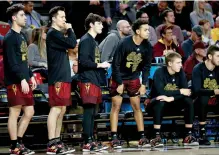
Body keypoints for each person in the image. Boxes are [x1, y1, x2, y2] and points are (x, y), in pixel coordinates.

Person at [110, 19, 152, 148]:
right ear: (138, 31)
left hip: (134, 77)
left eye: (148, 30)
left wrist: (144, 83)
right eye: (145, 30)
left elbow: (146, 67)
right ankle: (114, 138)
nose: (148, 32)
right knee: (116, 106)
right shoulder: (124, 43)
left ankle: (142, 136)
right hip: (119, 77)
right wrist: (119, 82)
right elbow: (115, 64)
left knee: (137, 107)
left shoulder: (147, 46)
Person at [3, 4, 37, 155]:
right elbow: (11, 62)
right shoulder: (9, 37)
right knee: (14, 112)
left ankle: (19, 142)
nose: (25, 17)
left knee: (29, 112)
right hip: (15, 81)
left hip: (24, 79)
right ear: (14, 18)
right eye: (22, 15)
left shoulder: (22, 35)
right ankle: (14, 146)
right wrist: (22, 79)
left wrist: (30, 76)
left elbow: (24, 60)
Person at [149, 52, 198, 147]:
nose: (181, 65)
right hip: (155, 104)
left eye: (181, 62)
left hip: (173, 103)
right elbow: (160, 92)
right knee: (161, 101)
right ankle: (156, 136)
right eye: (178, 62)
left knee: (188, 101)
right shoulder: (159, 72)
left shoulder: (181, 73)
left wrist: (172, 98)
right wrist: (179, 92)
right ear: (170, 63)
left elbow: (186, 92)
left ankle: (188, 135)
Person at [46, 6, 77, 154]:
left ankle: (57, 141)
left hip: (63, 75)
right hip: (57, 76)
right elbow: (72, 43)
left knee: (62, 109)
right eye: (62, 17)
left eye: (65, 17)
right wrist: (70, 29)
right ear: (53, 18)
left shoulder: (57, 34)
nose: (65, 20)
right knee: (56, 108)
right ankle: (52, 143)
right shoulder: (52, 34)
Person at [78, 13, 110, 152]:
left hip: (94, 78)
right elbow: (83, 62)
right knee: (89, 110)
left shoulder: (93, 41)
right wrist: (100, 65)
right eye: (99, 23)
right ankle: (87, 141)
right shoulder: (86, 40)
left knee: (93, 112)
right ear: (91, 24)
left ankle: (91, 139)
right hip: (87, 79)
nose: (102, 26)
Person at [192, 45, 219, 145]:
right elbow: (197, 90)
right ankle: (202, 133)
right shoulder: (198, 69)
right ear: (210, 56)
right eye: (218, 56)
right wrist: (214, 92)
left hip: (215, 101)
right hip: (199, 103)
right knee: (203, 97)